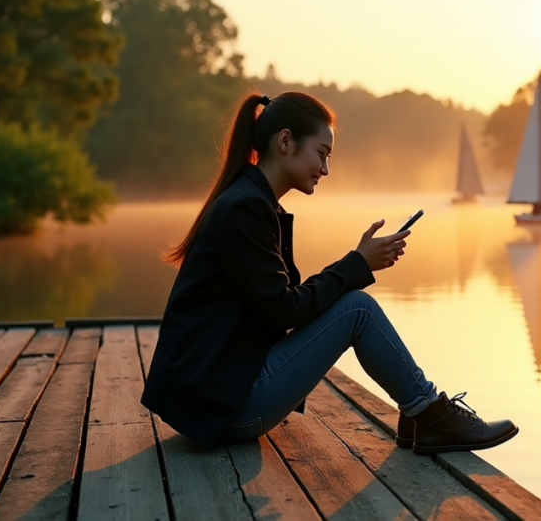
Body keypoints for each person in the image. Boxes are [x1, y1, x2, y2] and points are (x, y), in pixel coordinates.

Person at [141, 92, 518, 455]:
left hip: (216, 400)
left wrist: (356, 263)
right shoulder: (246, 208)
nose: (325, 169)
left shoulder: (250, 201)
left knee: (354, 305)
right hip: (224, 409)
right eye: (321, 154)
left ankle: (418, 414)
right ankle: (429, 413)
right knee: (359, 310)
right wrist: (356, 264)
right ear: (285, 141)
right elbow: (284, 311)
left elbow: (280, 304)